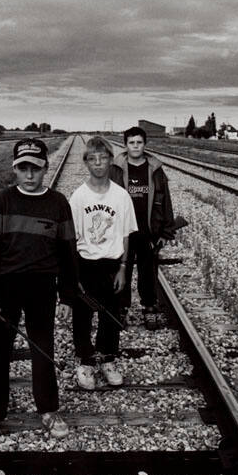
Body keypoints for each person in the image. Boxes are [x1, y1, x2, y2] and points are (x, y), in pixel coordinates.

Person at [0, 138, 78, 446]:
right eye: (23, 168)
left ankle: (48, 409)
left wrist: (68, 295)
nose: (29, 175)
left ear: (46, 168)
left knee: (43, 348)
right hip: (6, 286)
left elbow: (68, 253)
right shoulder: (2, 201)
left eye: (35, 168)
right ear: (15, 170)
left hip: (42, 286)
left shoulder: (58, 203)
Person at [69, 136, 137, 390]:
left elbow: (126, 235)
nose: (98, 163)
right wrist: (73, 274)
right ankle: (85, 361)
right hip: (86, 263)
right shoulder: (78, 197)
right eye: (92, 158)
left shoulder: (121, 196)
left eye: (103, 157)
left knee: (111, 314)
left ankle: (108, 359)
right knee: (83, 315)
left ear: (111, 160)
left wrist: (123, 268)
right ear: (86, 162)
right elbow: (71, 239)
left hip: (112, 264)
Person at [111, 126, 175, 328]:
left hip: (149, 231)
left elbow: (165, 200)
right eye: (132, 142)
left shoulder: (155, 169)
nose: (136, 146)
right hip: (123, 232)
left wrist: (166, 231)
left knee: (148, 272)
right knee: (123, 270)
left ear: (145, 144)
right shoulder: (116, 168)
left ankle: (149, 307)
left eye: (139, 142)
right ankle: (121, 308)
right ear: (125, 145)